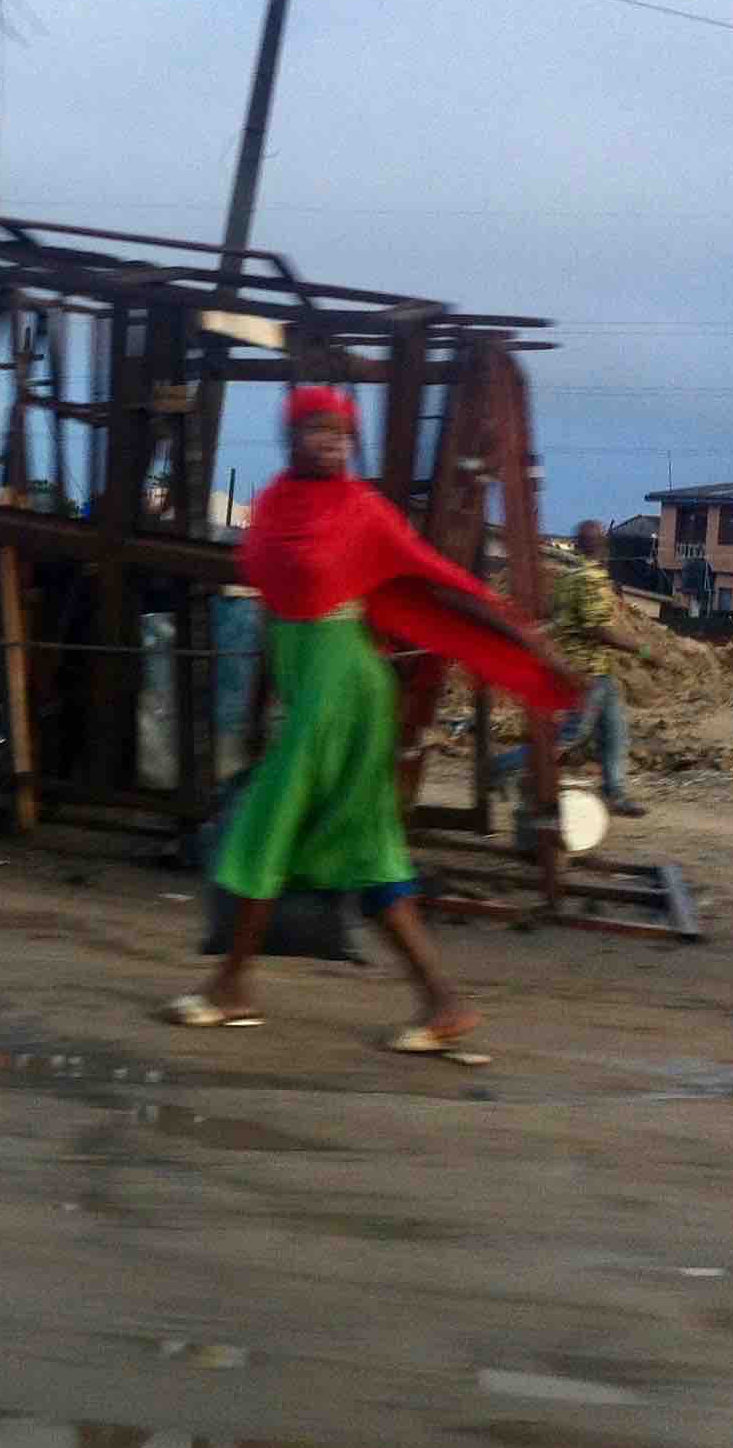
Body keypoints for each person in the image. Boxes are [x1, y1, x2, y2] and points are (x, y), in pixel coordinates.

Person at [165, 387, 579, 1049]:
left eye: (340, 432)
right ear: (290, 436)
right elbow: (277, 608)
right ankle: (441, 1002)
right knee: (364, 850)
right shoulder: (273, 509)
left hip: (346, 694)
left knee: (266, 829)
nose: (331, 442)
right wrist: (258, 706)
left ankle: (232, 986)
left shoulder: (362, 512)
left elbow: (436, 580)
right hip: (310, 693)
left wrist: (522, 639)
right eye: (316, 430)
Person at [491, 520, 648, 818]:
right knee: (569, 736)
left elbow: (557, 617)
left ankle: (615, 792)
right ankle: (499, 768)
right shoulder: (590, 579)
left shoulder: (568, 577)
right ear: (602, 546)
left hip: (592, 668)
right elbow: (599, 629)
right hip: (586, 671)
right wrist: (642, 649)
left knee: (614, 732)